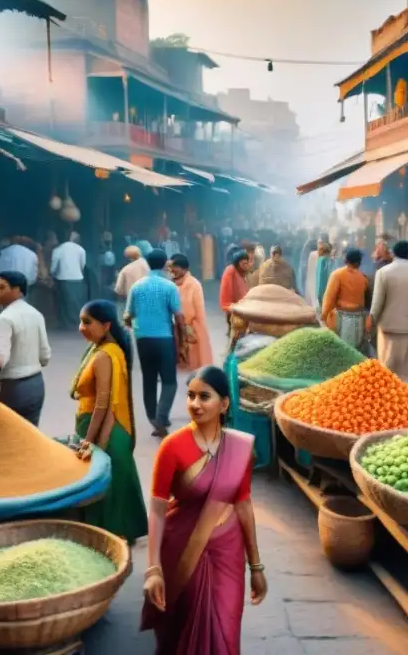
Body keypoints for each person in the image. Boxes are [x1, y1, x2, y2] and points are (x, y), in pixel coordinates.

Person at [141, 366, 266, 653]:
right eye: (190, 396)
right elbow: (158, 509)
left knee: (225, 628)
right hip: (182, 550)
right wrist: (153, 569)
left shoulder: (239, 448)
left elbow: (243, 504)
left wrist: (256, 566)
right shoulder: (172, 447)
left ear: (224, 404)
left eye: (204, 397)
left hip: (228, 554)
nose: (195, 404)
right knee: (181, 632)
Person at [72, 300, 149, 542]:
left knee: (106, 484)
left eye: (87, 322)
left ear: (105, 325)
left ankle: (110, 536)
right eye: (81, 321)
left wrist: (91, 441)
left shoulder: (106, 355)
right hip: (97, 425)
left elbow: (103, 405)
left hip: (104, 429)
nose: (81, 327)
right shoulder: (98, 348)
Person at [126, 249, 186, 437]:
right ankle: (161, 417)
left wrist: (137, 326)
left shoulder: (137, 287)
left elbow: (128, 316)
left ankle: (153, 418)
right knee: (169, 381)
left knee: (149, 380)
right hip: (164, 339)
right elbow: (179, 317)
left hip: (143, 338)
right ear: (163, 265)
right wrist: (183, 341)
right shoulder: (170, 287)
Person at [369, 241, 408, 390]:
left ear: (393, 253)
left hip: (388, 330)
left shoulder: (383, 273)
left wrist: (371, 321)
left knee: (388, 371)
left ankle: (389, 405)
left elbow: (377, 303)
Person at [0, 271, 51, 426]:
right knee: (30, 437)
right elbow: (45, 355)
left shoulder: (5, 318)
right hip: (36, 385)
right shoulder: (36, 314)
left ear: (17, 290)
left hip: (13, 389)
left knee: (7, 438)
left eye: (2, 288)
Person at [169, 254, 213, 372]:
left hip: (191, 325)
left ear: (184, 269)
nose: (172, 271)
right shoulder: (170, 284)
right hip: (176, 327)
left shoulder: (194, 284)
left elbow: (199, 309)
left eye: (175, 268)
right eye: (171, 268)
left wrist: (199, 328)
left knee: (194, 361)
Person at [321, 249, 370, 351]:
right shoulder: (363, 278)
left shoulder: (337, 274)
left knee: (341, 350)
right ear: (359, 263)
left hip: (341, 318)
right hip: (359, 319)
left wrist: (324, 315)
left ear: (345, 260)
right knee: (355, 350)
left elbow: (329, 297)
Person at [51, 231, 87, 330]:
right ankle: (77, 322)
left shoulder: (58, 250)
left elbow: (53, 268)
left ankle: (66, 324)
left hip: (63, 279)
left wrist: (53, 275)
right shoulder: (81, 250)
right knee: (77, 302)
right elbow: (82, 265)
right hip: (78, 279)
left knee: (64, 302)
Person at [219, 250, 251, 336]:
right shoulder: (230, 271)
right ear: (237, 264)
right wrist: (232, 307)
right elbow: (227, 293)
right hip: (234, 310)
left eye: (247, 263)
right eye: (243, 264)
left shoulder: (244, 273)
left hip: (243, 309)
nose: (246, 266)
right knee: (235, 336)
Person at [315, 242, 334, 308]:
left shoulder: (321, 260)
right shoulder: (329, 260)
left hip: (322, 292)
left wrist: (318, 294)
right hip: (328, 291)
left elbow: (319, 279)